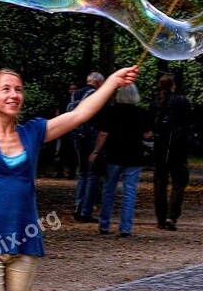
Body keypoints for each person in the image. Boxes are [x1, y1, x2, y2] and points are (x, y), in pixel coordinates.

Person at [0, 40, 137, 290]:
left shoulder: (33, 132)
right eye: (6, 89)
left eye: (18, 89)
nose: (14, 95)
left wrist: (111, 82)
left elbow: (79, 114)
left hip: (23, 241)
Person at [94, 84, 152, 237]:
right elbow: (147, 135)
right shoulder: (141, 113)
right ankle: (125, 228)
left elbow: (103, 134)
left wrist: (95, 151)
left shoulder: (111, 111)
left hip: (114, 154)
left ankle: (104, 225)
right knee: (129, 192)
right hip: (134, 155)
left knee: (109, 190)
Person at [151, 74, 191, 231]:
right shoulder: (181, 100)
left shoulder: (155, 102)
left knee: (160, 182)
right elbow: (188, 121)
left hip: (160, 145)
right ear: (173, 85)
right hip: (178, 145)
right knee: (179, 182)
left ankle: (161, 218)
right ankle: (171, 216)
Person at [70, 72, 105, 222]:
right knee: (93, 173)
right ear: (99, 83)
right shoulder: (96, 95)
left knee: (82, 172)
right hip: (91, 135)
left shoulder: (76, 93)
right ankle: (86, 210)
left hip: (77, 134)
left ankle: (78, 204)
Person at [54, 82, 79, 180]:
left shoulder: (78, 102)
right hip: (63, 130)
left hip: (73, 131)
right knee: (60, 152)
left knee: (73, 154)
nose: (73, 91)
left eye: (74, 89)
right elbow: (57, 113)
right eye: (71, 89)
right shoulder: (64, 101)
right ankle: (59, 172)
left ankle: (71, 173)